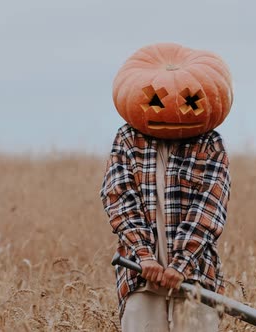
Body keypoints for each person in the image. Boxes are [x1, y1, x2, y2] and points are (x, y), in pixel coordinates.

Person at [100, 42, 233, 332]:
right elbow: (118, 198)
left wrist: (181, 264)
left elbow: (210, 208)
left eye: (190, 100)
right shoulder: (127, 139)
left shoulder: (210, 144)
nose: (172, 110)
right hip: (139, 277)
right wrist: (143, 255)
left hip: (196, 276)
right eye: (157, 100)